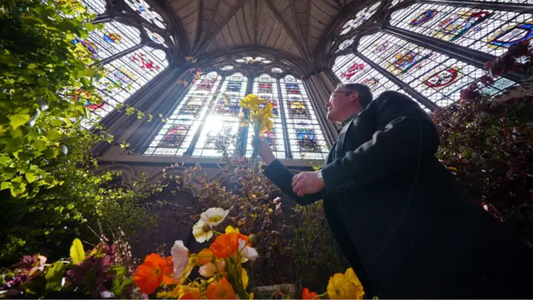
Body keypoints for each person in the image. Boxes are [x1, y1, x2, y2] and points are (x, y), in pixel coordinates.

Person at [255, 83, 533, 298]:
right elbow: (308, 192)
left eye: (333, 94)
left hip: (444, 246)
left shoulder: (383, 104)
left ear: (353, 96)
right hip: (395, 268)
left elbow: (413, 132)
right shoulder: (334, 153)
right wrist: (268, 158)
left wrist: (326, 175)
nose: (326, 101)